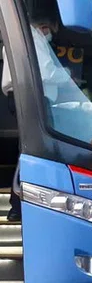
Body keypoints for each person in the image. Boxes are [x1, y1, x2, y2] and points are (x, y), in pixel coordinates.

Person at [1, 16, 67, 222]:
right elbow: (46, 72)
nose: (49, 36)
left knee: (29, 151)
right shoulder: (32, 37)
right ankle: (20, 206)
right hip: (33, 99)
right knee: (35, 153)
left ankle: (19, 206)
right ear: (44, 26)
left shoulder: (19, 36)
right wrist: (67, 75)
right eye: (50, 31)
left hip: (21, 98)